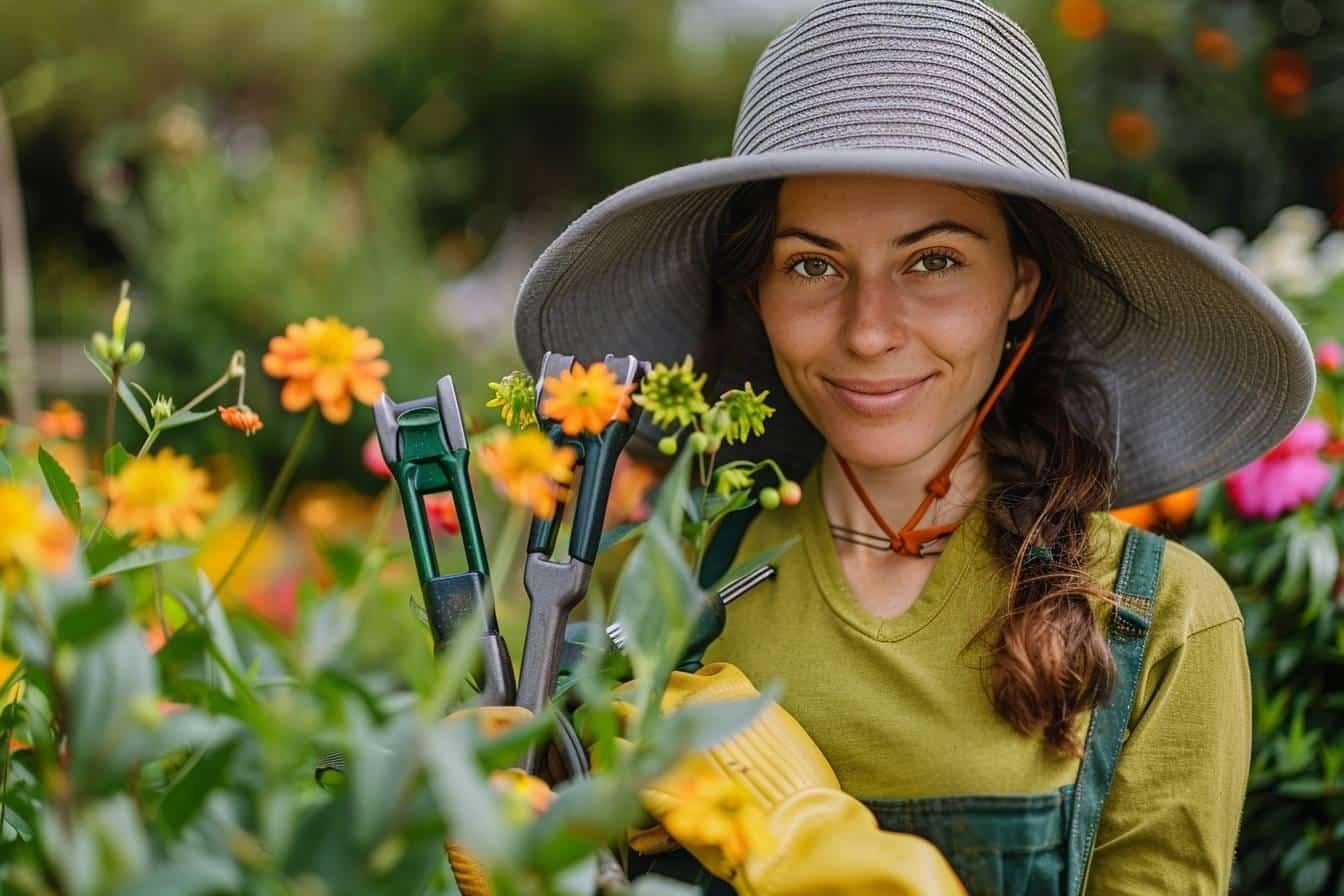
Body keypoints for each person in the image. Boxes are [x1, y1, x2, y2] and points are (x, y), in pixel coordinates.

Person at [512, 1, 1316, 893]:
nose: (868, 333)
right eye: (813, 265)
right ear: (758, 292)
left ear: (1022, 283)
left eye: (933, 261)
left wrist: (810, 844)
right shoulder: (657, 585)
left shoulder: (1153, 620)